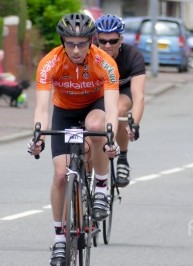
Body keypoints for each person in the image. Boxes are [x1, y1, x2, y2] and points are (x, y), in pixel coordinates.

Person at [26, 13, 120, 266]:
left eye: (81, 43)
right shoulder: (49, 63)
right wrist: (38, 135)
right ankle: (59, 240)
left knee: (96, 125)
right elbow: (43, 109)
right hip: (65, 114)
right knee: (60, 174)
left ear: (91, 42)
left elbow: (112, 108)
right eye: (70, 44)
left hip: (95, 106)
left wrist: (110, 136)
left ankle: (100, 186)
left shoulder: (105, 62)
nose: (76, 50)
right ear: (62, 42)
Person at [95, 14, 146, 187]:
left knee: (119, 109)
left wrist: (135, 124)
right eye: (102, 41)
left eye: (113, 41)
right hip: (96, 92)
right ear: (96, 39)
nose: (107, 45)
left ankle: (122, 157)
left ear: (121, 39)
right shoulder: (89, 54)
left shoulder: (133, 56)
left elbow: (138, 95)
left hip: (122, 91)